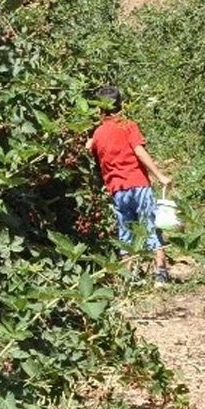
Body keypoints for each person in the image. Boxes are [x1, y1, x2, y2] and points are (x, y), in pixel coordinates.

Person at [85, 86, 173, 283]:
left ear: (99, 109)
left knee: (125, 231)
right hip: (139, 184)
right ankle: (160, 273)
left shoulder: (98, 133)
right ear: (121, 105)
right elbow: (139, 151)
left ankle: (128, 276)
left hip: (117, 190)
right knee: (150, 226)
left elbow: (88, 149)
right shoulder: (128, 126)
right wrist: (160, 176)